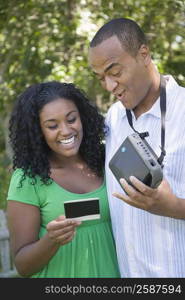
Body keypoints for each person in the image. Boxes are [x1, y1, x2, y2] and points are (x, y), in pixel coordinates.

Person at [88, 17, 185, 277]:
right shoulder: (113, 118)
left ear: (144, 54)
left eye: (115, 72)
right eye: (101, 78)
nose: (109, 86)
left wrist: (174, 207)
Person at [6, 81, 120, 278]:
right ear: (38, 132)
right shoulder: (28, 180)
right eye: (52, 126)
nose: (66, 131)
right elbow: (23, 266)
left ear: (82, 117)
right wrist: (52, 240)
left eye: (71, 119)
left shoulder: (105, 161)